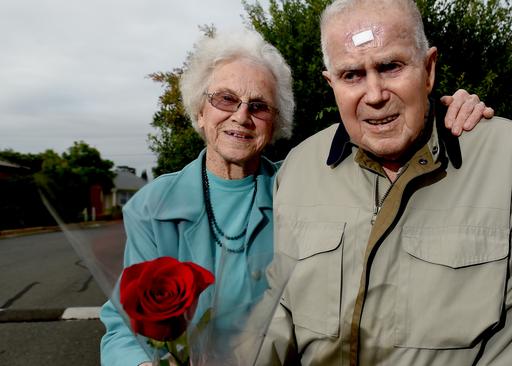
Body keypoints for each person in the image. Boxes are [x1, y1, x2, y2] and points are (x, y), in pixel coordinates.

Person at [99, 27, 491, 365]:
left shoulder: (301, 182)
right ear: (200, 111)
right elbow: (122, 328)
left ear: (276, 122)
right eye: (225, 100)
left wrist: (441, 113)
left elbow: (385, 148)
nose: (241, 116)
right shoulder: (154, 207)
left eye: (259, 106)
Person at [265, 0, 512, 365]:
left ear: (428, 69)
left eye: (390, 67)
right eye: (352, 75)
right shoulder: (298, 169)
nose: (374, 95)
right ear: (332, 84)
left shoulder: (504, 155)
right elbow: (276, 319)